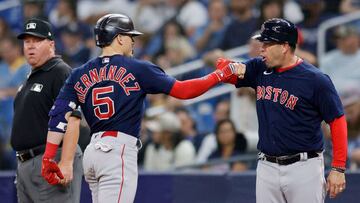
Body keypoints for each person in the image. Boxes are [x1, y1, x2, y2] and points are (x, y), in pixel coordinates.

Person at [40, 13, 242, 203]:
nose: (133, 41)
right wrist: (219, 75)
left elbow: (58, 116)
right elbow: (183, 91)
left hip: (92, 152)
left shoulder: (78, 73)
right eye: (130, 36)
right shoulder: (137, 67)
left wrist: (49, 157)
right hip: (117, 151)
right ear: (119, 38)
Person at [216, 18, 347, 202]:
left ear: (285, 46)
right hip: (266, 167)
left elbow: (337, 120)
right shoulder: (259, 68)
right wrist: (228, 66)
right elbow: (225, 72)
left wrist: (338, 167)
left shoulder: (315, 79)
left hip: (304, 167)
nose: (261, 48)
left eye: (267, 43)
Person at [10, 18, 83, 203]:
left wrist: (66, 162)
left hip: (51, 159)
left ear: (51, 44)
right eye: (27, 41)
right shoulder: (32, 76)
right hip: (26, 163)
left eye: (37, 41)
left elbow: (73, 118)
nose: (30, 46)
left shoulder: (59, 72)